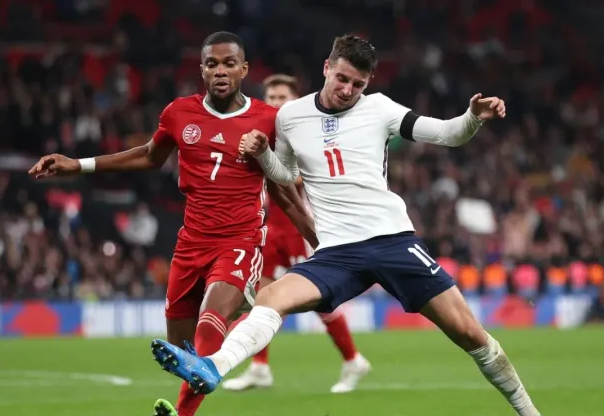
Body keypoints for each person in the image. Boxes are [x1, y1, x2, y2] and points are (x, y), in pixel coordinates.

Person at [150, 34, 542, 416]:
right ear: (327, 68)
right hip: (336, 252)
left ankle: (529, 411)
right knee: (272, 299)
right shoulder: (291, 116)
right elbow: (284, 176)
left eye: (358, 83)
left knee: (470, 334)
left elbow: (447, 134)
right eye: (342, 78)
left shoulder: (380, 109)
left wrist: (472, 117)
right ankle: (213, 367)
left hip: (392, 240)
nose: (347, 89)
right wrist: (265, 152)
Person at [28, 32, 316, 416]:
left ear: (244, 69)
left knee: (211, 324)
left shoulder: (267, 120)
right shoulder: (180, 113)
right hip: (190, 245)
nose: (220, 71)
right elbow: (149, 156)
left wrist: (323, 240)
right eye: (211, 64)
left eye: (229, 63)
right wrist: (78, 165)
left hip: (240, 242)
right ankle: (221, 349)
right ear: (201, 70)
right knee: (185, 353)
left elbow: (283, 190)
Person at [221, 74, 371, 394]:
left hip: (298, 226)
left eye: (282, 97)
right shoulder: (260, 132)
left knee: (317, 298)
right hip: (269, 227)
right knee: (263, 295)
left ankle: (353, 358)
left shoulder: (306, 131)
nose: (276, 103)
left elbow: (301, 178)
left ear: (295, 100)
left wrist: (265, 160)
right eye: (271, 97)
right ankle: (260, 367)